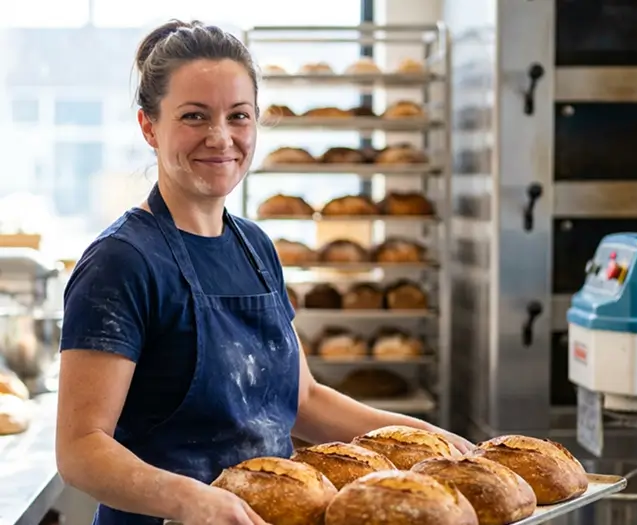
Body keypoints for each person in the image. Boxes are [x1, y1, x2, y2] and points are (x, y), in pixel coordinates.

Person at [55, 19, 473, 525]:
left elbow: (305, 401)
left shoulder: (254, 247)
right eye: (194, 116)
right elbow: (81, 447)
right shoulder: (120, 263)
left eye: (239, 116)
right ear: (149, 126)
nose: (220, 137)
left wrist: (427, 441)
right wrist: (195, 501)